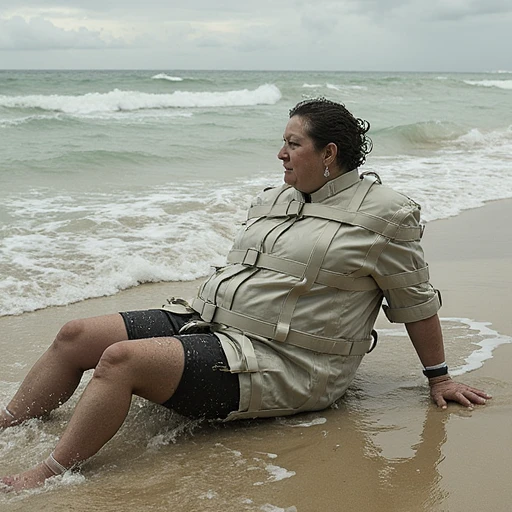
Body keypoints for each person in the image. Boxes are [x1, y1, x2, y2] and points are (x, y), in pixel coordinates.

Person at [0, 98, 490, 492]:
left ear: (330, 153)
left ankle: (47, 473)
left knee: (121, 360)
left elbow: (414, 301)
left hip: (284, 361)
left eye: (292, 144)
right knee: (76, 334)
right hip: (211, 323)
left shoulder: (385, 216)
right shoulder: (277, 198)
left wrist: (439, 378)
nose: (280, 154)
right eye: (282, 142)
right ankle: (9, 420)